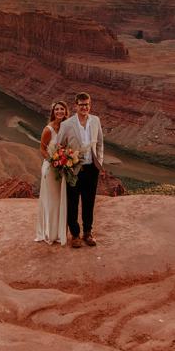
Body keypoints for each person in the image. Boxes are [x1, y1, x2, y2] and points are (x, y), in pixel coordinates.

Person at [56, 92, 103, 248]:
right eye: (82, 105)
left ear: (90, 105)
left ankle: (88, 233)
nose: (85, 107)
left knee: (89, 202)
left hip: (91, 169)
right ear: (76, 106)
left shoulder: (96, 121)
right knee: (73, 203)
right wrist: (66, 163)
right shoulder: (67, 124)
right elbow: (59, 146)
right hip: (74, 170)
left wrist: (99, 162)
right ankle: (75, 235)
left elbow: (100, 143)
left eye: (87, 104)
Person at [34, 100, 69, 245]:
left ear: (66, 111)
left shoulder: (67, 127)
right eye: (56, 110)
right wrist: (53, 161)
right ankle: (50, 233)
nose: (59, 111)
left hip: (63, 168)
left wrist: (65, 160)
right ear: (53, 112)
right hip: (50, 167)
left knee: (61, 200)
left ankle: (60, 232)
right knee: (52, 200)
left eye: (62, 109)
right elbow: (42, 148)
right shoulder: (48, 129)